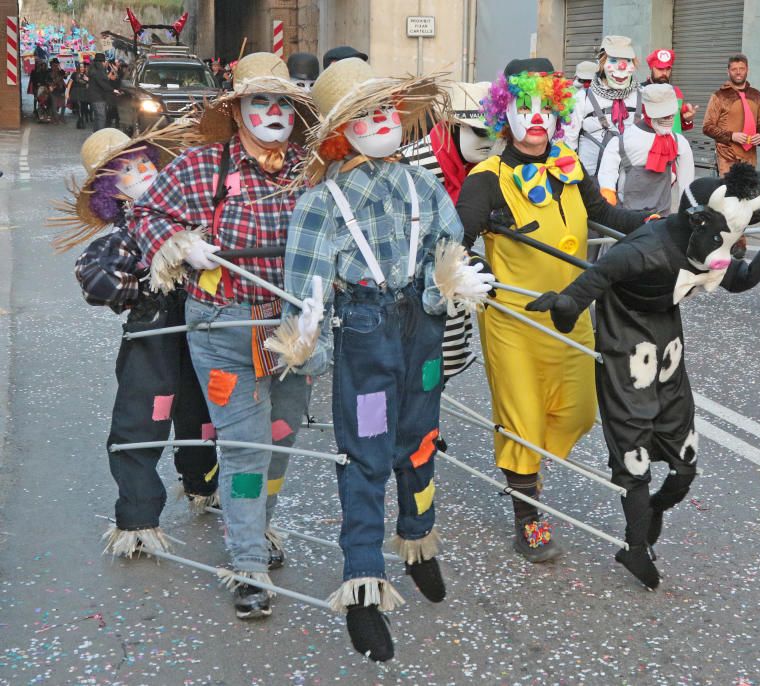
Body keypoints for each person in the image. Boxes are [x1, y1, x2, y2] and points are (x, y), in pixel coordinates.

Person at [525, 164, 760, 588]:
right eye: (724, 237)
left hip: (667, 349)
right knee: (634, 459)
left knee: (684, 466)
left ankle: (653, 512)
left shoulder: (710, 247)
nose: (728, 248)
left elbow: (737, 280)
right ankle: (635, 546)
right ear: (699, 222)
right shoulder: (643, 249)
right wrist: (568, 304)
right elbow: (600, 275)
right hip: (626, 348)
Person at [272, 56, 480, 663]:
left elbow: (450, 246)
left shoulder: (424, 184)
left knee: (419, 439)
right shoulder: (321, 201)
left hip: (422, 326)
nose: (382, 118)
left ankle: (418, 541)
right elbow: (305, 289)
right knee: (364, 454)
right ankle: (363, 583)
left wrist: (449, 285)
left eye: (387, 107)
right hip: (363, 330)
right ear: (341, 129)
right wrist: (311, 349)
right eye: (365, 112)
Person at [132, 53, 315, 620]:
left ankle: (258, 528)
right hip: (222, 326)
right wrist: (181, 243)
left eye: (283, 101)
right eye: (260, 100)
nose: (273, 111)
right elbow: (147, 217)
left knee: (280, 437)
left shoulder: (309, 169)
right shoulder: (202, 166)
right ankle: (247, 564)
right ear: (237, 111)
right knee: (244, 446)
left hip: (290, 328)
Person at [455, 57, 650, 563]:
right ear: (506, 114)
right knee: (521, 421)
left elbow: (604, 214)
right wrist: (470, 267)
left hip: (571, 314)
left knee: (579, 412)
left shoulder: (568, 160)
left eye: (546, 106)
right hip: (514, 322)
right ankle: (527, 509)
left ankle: (527, 472)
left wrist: (652, 225)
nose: (536, 117)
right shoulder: (487, 178)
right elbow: (455, 241)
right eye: (524, 106)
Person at [52, 125, 219, 557]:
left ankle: (205, 485)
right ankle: (138, 519)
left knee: (202, 413)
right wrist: (148, 284)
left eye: (144, 162)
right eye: (126, 170)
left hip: (203, 329)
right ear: (113, 190)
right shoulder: (125, 237)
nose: (141, 172)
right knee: (141, 421)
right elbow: (96, 281)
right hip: (154, 336)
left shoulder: (186, 217)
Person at [401, 81, 494, 381]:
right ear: (452, 127)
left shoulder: (472, 165)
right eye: (480, 131)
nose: (489, 141)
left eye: (496, 132)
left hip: (449, 287)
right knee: (417, 374)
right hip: (414, 295)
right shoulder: (415, 166)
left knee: (435, 375)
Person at [597, 83, 694, 214]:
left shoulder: (678, 142)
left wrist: (688, 212)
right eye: (662, 114)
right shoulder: (621, 142)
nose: (668, 118)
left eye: (671, 114)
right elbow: (607, 174)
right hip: (627, 218)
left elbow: (687, 186)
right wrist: (608, 192)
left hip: (662, 220)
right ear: (645, 109)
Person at [563, 35, 640, 177]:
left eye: (627, 61)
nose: (621, 67)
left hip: (631, 182)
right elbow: (569, 140)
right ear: (601, 63)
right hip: (592, 183)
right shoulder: (583, 97)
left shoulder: (642, 96)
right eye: (613, 60)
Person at [702, 54, 760, 175]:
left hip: (750, 157)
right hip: (727, 157)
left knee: (747, 192)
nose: (738, 72)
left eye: (741, 69)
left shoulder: (756, 95)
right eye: (734, 69)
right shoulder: (719, 96)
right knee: (728, 192)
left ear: (747, 70)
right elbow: (707, 127)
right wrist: (732, 136)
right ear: (728, 72)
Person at [642, 49, 696, 133]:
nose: (664, 73)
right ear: (651, 68)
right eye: (660, 69)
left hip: (672, 144)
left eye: (668, 69)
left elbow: (678, 126)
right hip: (648, 144)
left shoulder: (676, 92)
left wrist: (687, 119)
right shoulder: (640, 91)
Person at [88, 54, 118, 131]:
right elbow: (103, 84)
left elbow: (106, 79)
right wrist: (113, 90)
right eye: (104, 62)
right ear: (101, 62)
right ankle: (99, 136)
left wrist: (112, 71)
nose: (105, 64)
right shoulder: (98, 72)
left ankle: (95, 134)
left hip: (95, 97)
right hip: (98, 98)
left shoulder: (94, 71)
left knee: (98, 117)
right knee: (101, 118)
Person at [67, 61, 90, 129]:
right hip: (76, 92)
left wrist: (88, 79)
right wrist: (67, 93)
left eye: (83, 67)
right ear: (78, 68)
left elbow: (90, 84)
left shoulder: (86, 75)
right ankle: (82, 122)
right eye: (80, 67)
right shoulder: (74, 74)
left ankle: (79, 122)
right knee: (79, 107)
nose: (82, 68)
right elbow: (70, 84)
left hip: (84, 93)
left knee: (83, 108)